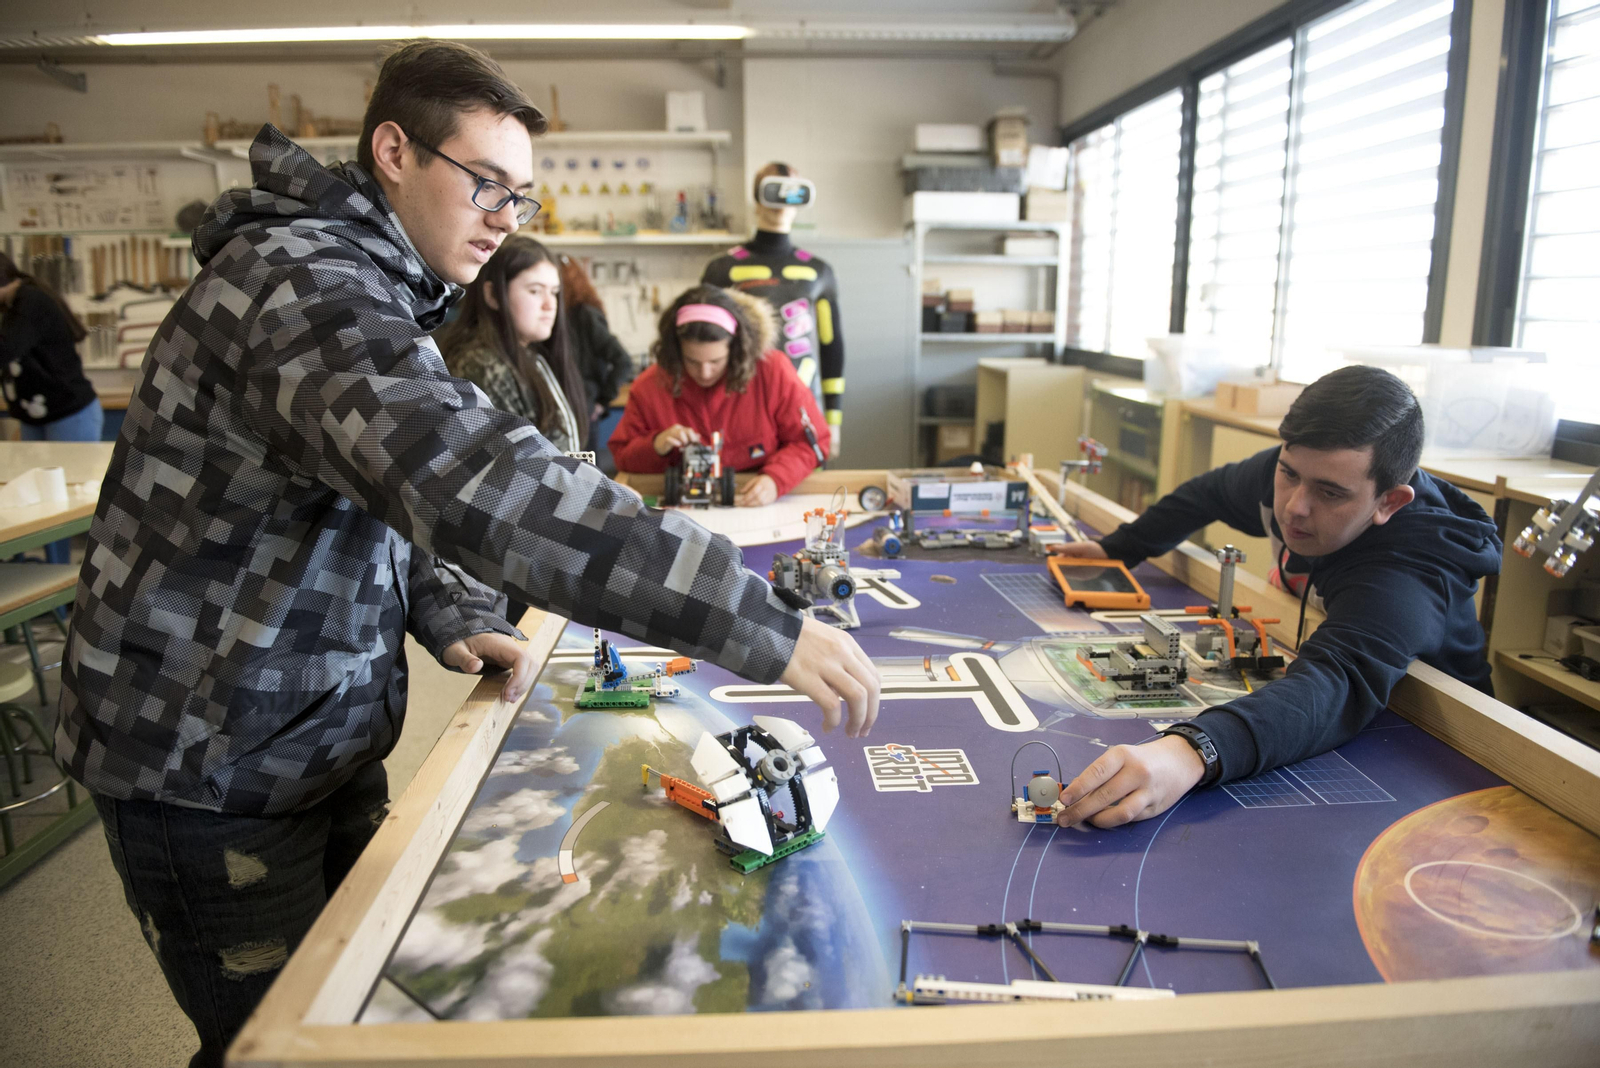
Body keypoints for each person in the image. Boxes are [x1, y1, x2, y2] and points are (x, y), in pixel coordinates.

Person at [57, 41, 878, 1068]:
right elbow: (472, 481)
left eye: (520, 197)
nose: (502, 216)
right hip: (205, 758)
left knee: (354, 1020)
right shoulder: (303, 288)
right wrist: (747, 618)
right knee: (273, 1049)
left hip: (304, 731)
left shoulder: (374, 285)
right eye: (485, 183)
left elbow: (374, 491)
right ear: (393, 150)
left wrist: (443, 606)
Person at [1046, 365, 1499, 831]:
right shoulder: (1295, 476)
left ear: (1389, 502)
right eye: (1289, 473)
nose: (1294, 506)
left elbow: (1334, 683)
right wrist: (1118, 548)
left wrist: (1190, 750)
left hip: (1443, 752)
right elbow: (1208, 495)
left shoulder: (1411, 571)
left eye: (1329, 493)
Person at [608, 284, 830, 507]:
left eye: (716, 362)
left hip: (754, 503)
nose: (704, 373)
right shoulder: (649, 386)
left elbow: (813, 443)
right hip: (684, 508)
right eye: (692, 362)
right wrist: (656, 444)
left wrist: (776, 479)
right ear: (676, 351)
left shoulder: (773, 371)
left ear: (736, 349)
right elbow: (623, 457)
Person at [702, 162, 846, 449]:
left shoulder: (820, 271)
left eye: (789, 192)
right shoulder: (721, 269)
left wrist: (833, 417)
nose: (781, 202)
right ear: (757, 199)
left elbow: (832, 346)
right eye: (772, 190)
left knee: (804, 482)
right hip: (740, 407)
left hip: (805, 404)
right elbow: (705, 343)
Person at [436, 234, 589, 454]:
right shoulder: (482, 364)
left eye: (554, 293)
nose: (549, 305)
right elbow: (515, 468)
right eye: (535, 291)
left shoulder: (531, 354)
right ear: (493, 295)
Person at [0, 252, 103, 563]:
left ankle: (73, 585)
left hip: (69, 413)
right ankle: (52, 578)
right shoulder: (12, 304)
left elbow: (4, 349)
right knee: (39, 505)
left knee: (64, 508)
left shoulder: (30, 301)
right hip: (36, 415)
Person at [554, 252, 634, 439]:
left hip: (582, 409)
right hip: (560, 411)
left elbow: (623, 360)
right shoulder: (554, 318)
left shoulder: (584, 315)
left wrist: (602, 401)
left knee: (581, 467)